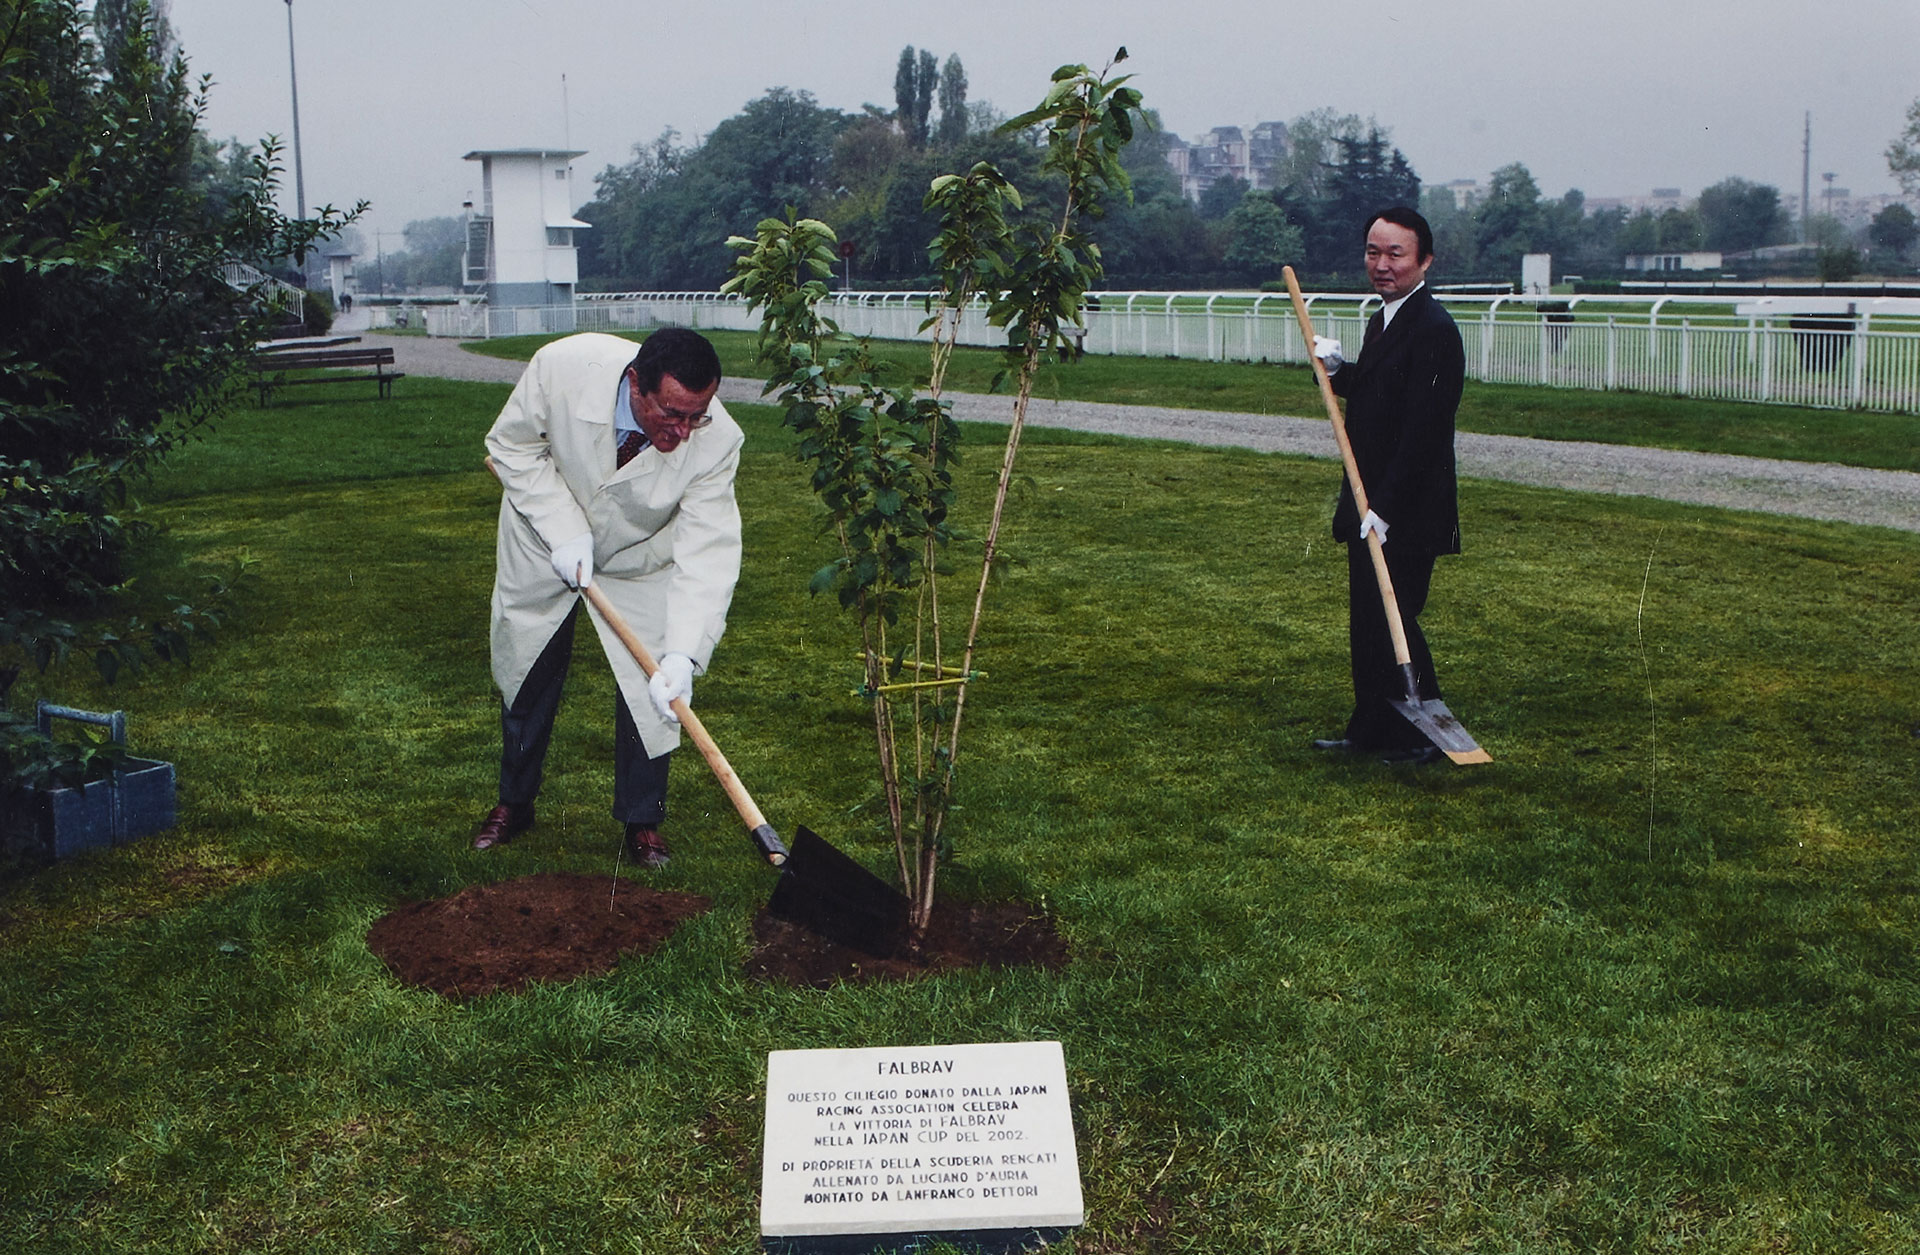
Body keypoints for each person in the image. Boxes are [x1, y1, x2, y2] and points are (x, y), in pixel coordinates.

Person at [473, 328, 743, 866]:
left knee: (656, 692)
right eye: (671, 414)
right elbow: (511, 445)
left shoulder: (718, 441)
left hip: (641, 559)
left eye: (697, 415)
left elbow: (708, 551)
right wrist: (563, 529)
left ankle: (642, 824)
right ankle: (514, 803)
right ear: (636, 384)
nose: (684, 431)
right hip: (543, 538)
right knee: (529, 670)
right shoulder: (561, 367)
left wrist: (684, 653)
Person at [1309, 207, 1465, 766]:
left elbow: (1423, 432)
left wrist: (1388, 508)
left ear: (1424, 261)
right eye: (1373, 252)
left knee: (1396, 619)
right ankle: (1371, 728)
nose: (1382, 264)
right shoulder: (1385, 319)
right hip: (1368, 499)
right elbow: (1378, 400)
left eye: (1395, 254)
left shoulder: (1435, 331)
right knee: (1368, 621)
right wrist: (1340, 371)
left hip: (1408, 508)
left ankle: (1426, 734)